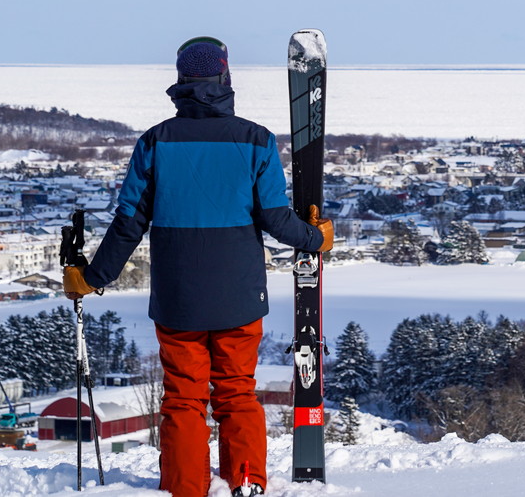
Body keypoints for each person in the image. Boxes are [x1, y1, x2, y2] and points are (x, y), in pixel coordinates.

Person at [64, 36, 334, 497]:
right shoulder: (256, 140)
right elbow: (274, 217)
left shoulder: (154, 142)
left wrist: (91, 278)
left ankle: (186, 488)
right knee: (237, 393)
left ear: (181, 81)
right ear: (226, 78)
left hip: (178, 300)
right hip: (239, 297)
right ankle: (246, 479)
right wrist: (316, 239)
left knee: (184, 400)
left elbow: (128, 224)